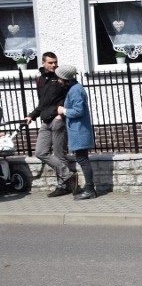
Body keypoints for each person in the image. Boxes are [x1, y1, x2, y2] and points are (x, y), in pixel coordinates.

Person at [24, 51, 76, 197]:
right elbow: (42, 103)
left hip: (58, 120)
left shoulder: (61, 77)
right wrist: (31, 115)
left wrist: (61, 114)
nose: (54, 65)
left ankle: (62, 186)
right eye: (50, 62)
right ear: (43, 63)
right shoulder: (40, 79)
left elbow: (69, 98)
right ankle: (69, 175)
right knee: (40, 152)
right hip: (45, 120)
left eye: (55, 62)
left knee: (60, 155)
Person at [55, 65, 97, 200]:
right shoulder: (74, 88)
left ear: (64, 78)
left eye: (59, 77)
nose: (58, 80)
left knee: (83, 160)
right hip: (78, 130)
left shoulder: (75, 90)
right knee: (82, 159)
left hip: (79, 131)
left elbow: (79, 111)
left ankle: (90, 190)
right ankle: (89, 188)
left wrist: (63, 111)